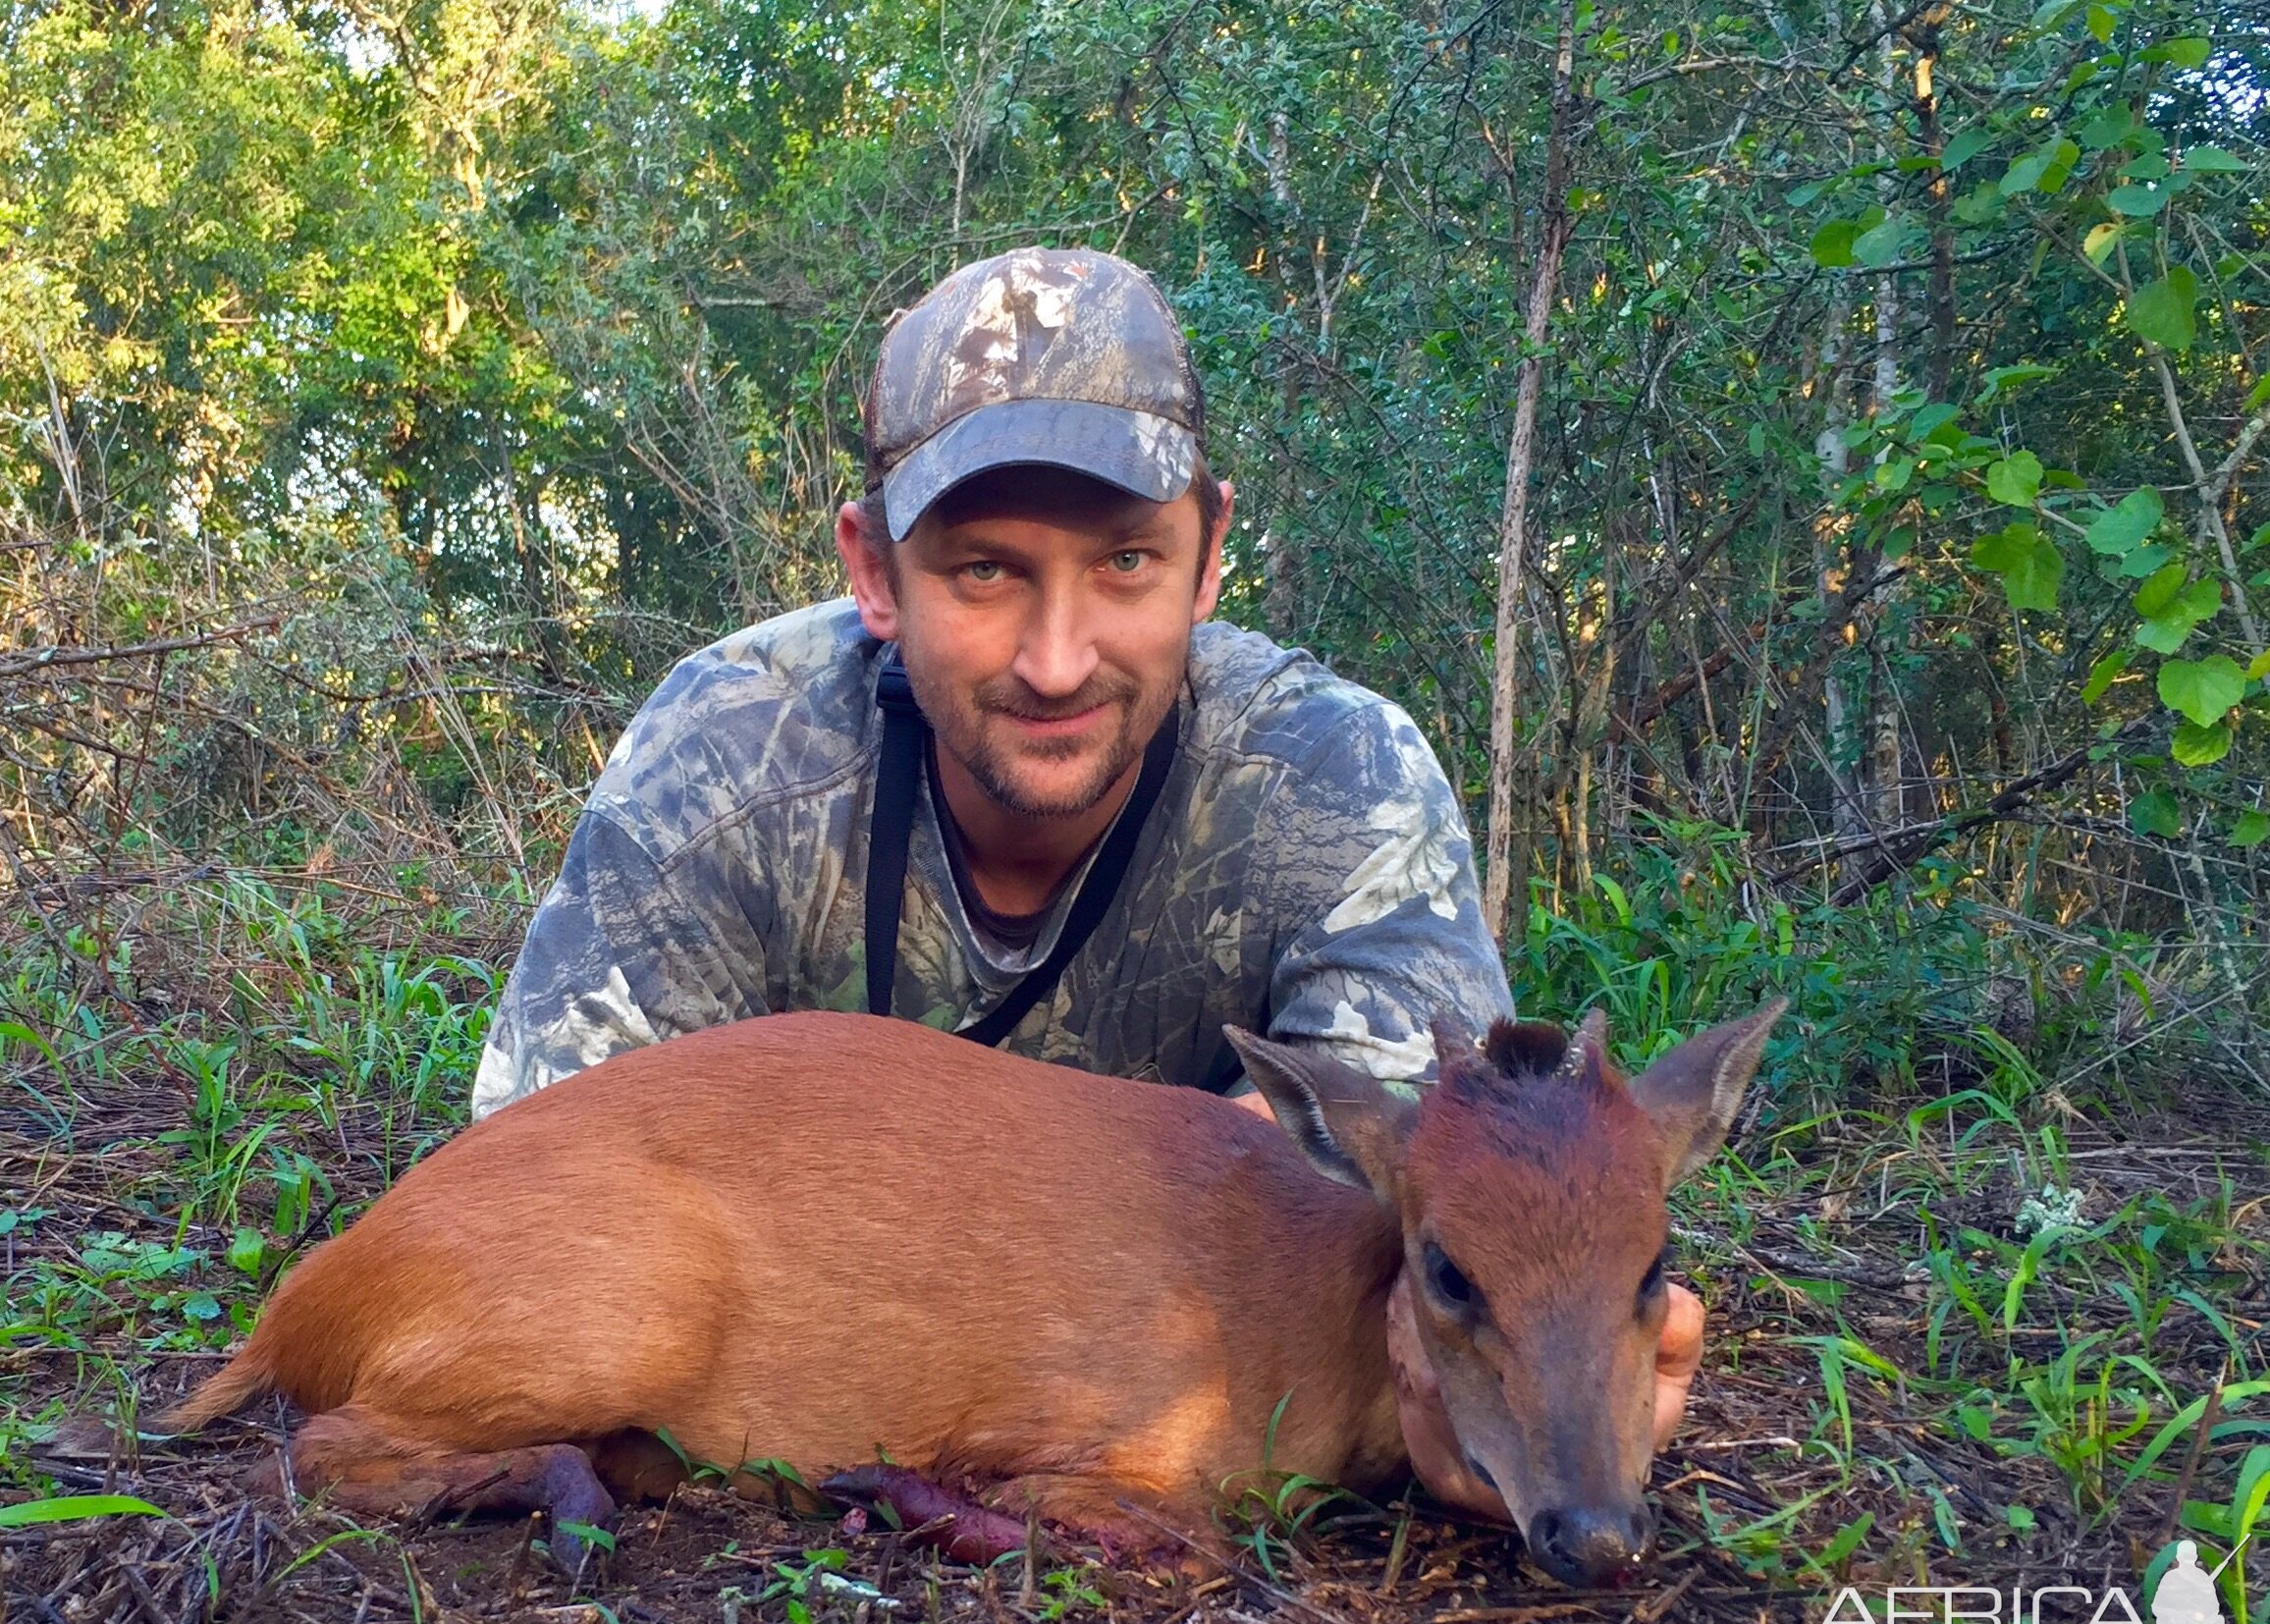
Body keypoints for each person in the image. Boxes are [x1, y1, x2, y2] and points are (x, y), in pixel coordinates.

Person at [469, 245, 1705, 1525]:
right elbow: (541, 1177)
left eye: (1126, 562)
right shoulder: (726, 757)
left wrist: (1521, 1358)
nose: (1057, 662)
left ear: (1211, 550)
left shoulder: (1340, 784)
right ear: (875, 571)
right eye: (984, 570)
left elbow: (1416, 1195)